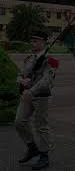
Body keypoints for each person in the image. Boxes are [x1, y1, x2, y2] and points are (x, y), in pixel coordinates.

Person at [15, 31, 58, 170]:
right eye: (31, 40)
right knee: (19, 122)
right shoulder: (29, 58)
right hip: (27, 95)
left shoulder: (50, 60)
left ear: (44, 42)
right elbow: (20, 74)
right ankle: (32, 148)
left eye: (35, 41)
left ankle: (44, 156)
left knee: (40, 126)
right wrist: (22, 81)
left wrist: (31, 90)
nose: (32, 43)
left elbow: (46, 81)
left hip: (41, 96)